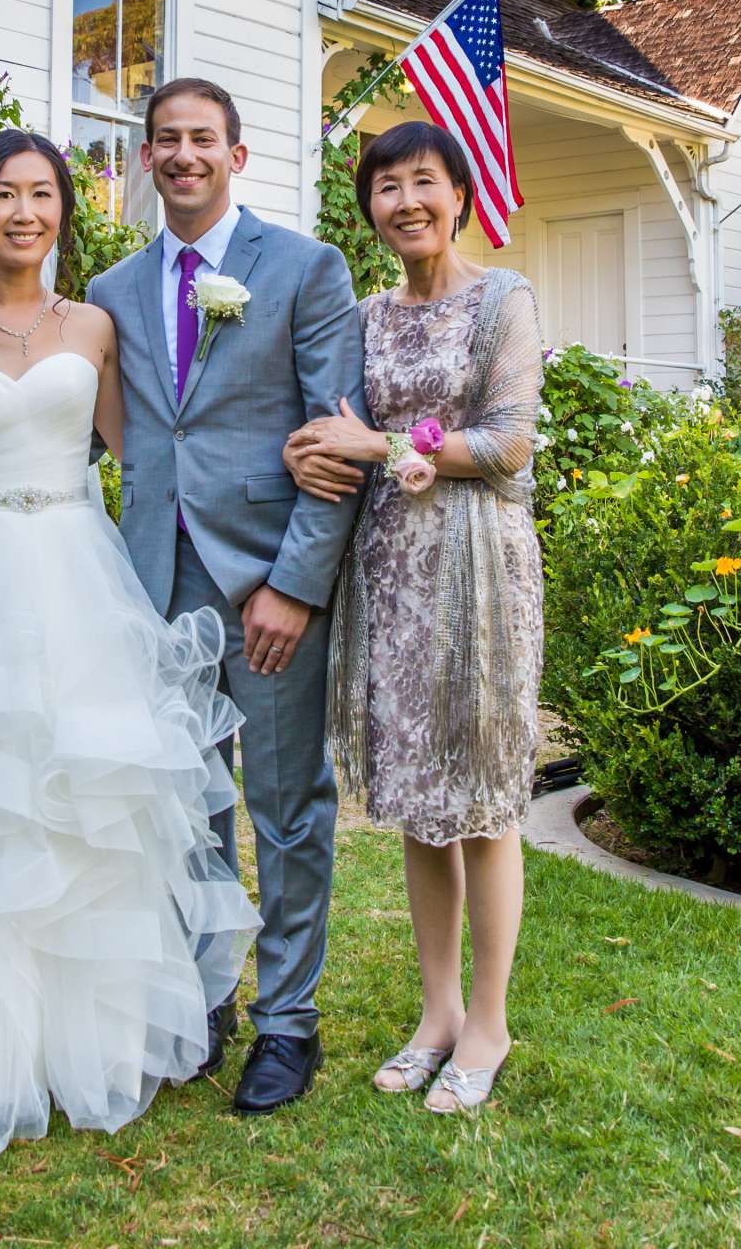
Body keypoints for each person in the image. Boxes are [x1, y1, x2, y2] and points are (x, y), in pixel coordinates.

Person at [0, 78, 365, 1115]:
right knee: (180, 802)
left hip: (263, 585)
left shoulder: (304, 269)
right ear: (144, 159)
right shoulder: (114, 290)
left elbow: (334, 446)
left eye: (201, 139)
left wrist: (293, 588)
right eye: (164, 139)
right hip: (143, 585)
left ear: (237, 155)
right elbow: (72, 418)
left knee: (286, 808)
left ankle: (287, 1022)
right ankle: (201, 998)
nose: (181, 155)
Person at [0, 131, 258, 1163]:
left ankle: (96, 1039)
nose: (24, 212)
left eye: (43, 194)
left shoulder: (102, 326)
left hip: (77, 573)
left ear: (66, 209)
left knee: (83, 804)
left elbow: (150, 452)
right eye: (4, 195)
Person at [280, 120, 543, 1116]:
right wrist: (320, 453)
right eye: (385, 188)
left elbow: (509, 442)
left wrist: (385, 445)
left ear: (459, 192)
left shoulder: (502, 298)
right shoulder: (362, 315)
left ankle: (488, 1021)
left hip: (479, 569)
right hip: (390, 571)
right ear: (371, 210)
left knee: (482, 794)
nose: (405, 202)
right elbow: (333, 431)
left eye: (422, 181)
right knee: (420, 799)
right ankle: (435, 1015)